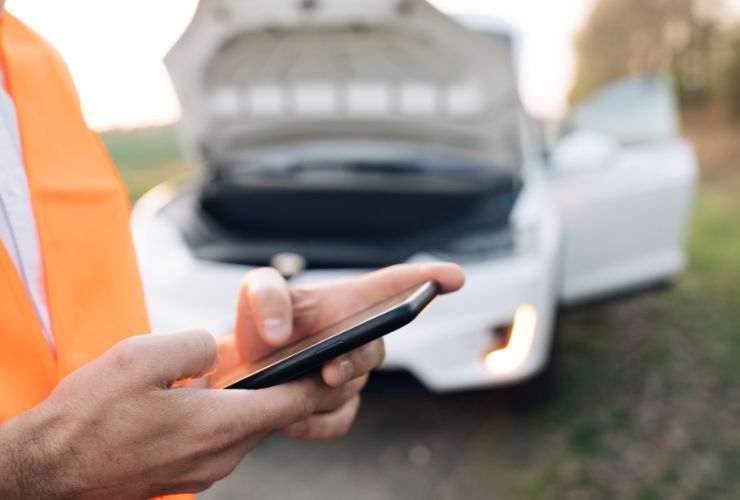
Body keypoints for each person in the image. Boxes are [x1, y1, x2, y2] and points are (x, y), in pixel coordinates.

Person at [0, 6, 464, 499]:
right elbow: (63, 444)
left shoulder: (32, 63)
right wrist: (37, 469)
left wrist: (231, 365)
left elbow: (75, 377)